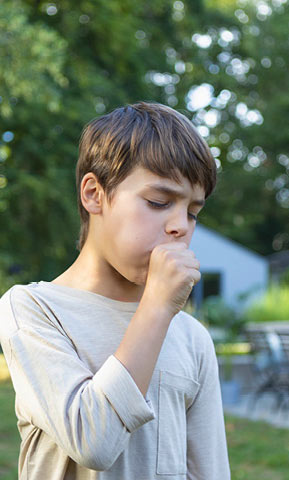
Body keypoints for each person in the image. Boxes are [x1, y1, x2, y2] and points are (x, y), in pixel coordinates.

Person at [0, 102, 230, 479]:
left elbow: (209, 471)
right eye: (159, 202)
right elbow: (94, 442)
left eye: (193, 212)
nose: (180, 226)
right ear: (94, 194)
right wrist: (156, 306)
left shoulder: (192, 339)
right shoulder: (32, 310)